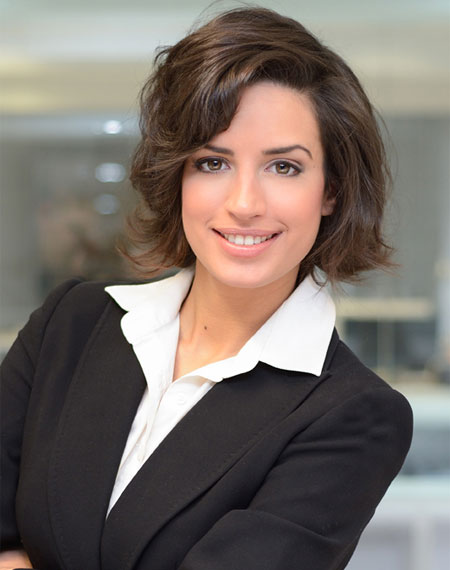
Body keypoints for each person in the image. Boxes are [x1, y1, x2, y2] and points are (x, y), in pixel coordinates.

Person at [0, 7, 413, 570]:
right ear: (177, 176)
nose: (244, 203)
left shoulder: (355, 416)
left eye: (284, 167)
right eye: (213, 163)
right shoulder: (70, 324)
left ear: (331, 192)